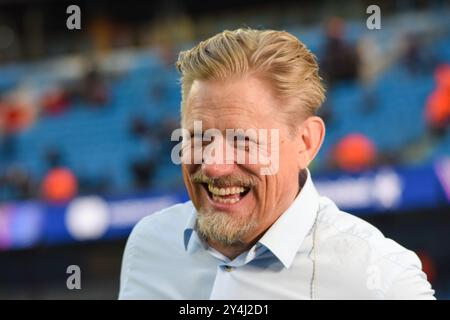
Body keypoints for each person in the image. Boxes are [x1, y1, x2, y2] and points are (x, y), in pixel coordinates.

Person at [119, 28, 435, 299]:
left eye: (244, 141)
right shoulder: (148, 244)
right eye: (199, 139)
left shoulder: (383, 277)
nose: (214, 166)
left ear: (307, 143)